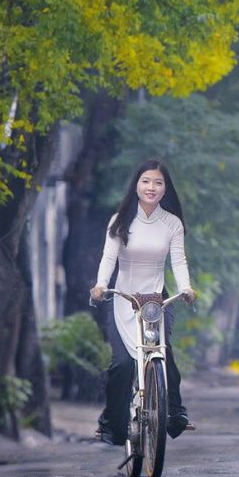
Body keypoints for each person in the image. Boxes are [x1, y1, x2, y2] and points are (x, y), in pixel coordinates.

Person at [90, 159, 196, 446]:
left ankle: (175, 414)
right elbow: (108, 259)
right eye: (146, 181)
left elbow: (179, 260)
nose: (151, 187)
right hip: (124, 298)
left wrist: (185, 288)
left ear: (165, 189)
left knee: (165, 355)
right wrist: (101, 285)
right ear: (136, 185)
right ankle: (112, 423)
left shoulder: (172, 223)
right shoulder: (120, 221)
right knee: (123, 364)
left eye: (158, 183)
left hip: (155, 301)